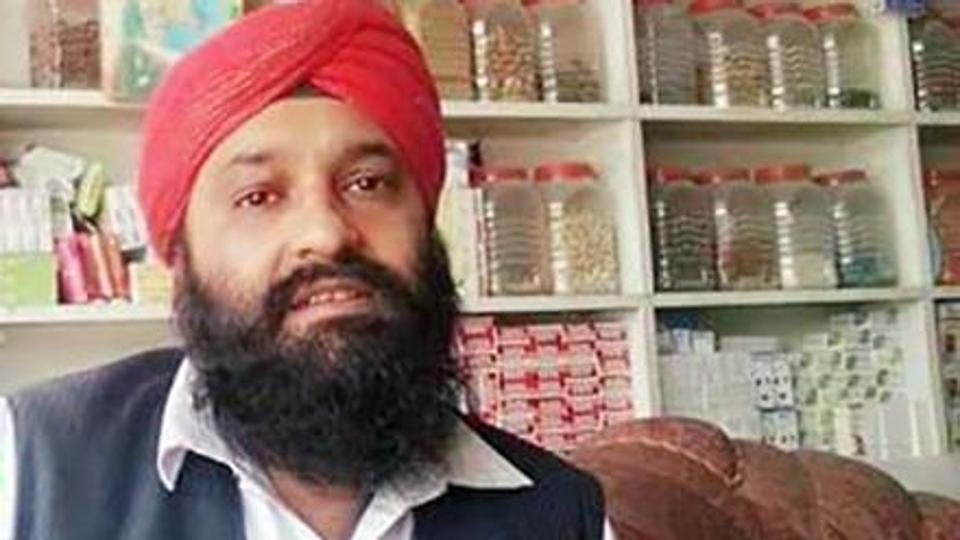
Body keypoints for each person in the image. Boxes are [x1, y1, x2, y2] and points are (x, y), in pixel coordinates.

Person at [0, 1, 613, 539]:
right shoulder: (30, 465)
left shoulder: (563, 514)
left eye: (367, 184)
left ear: (428, 224)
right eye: (259, 196)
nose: (325, 233)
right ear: (181, 259)